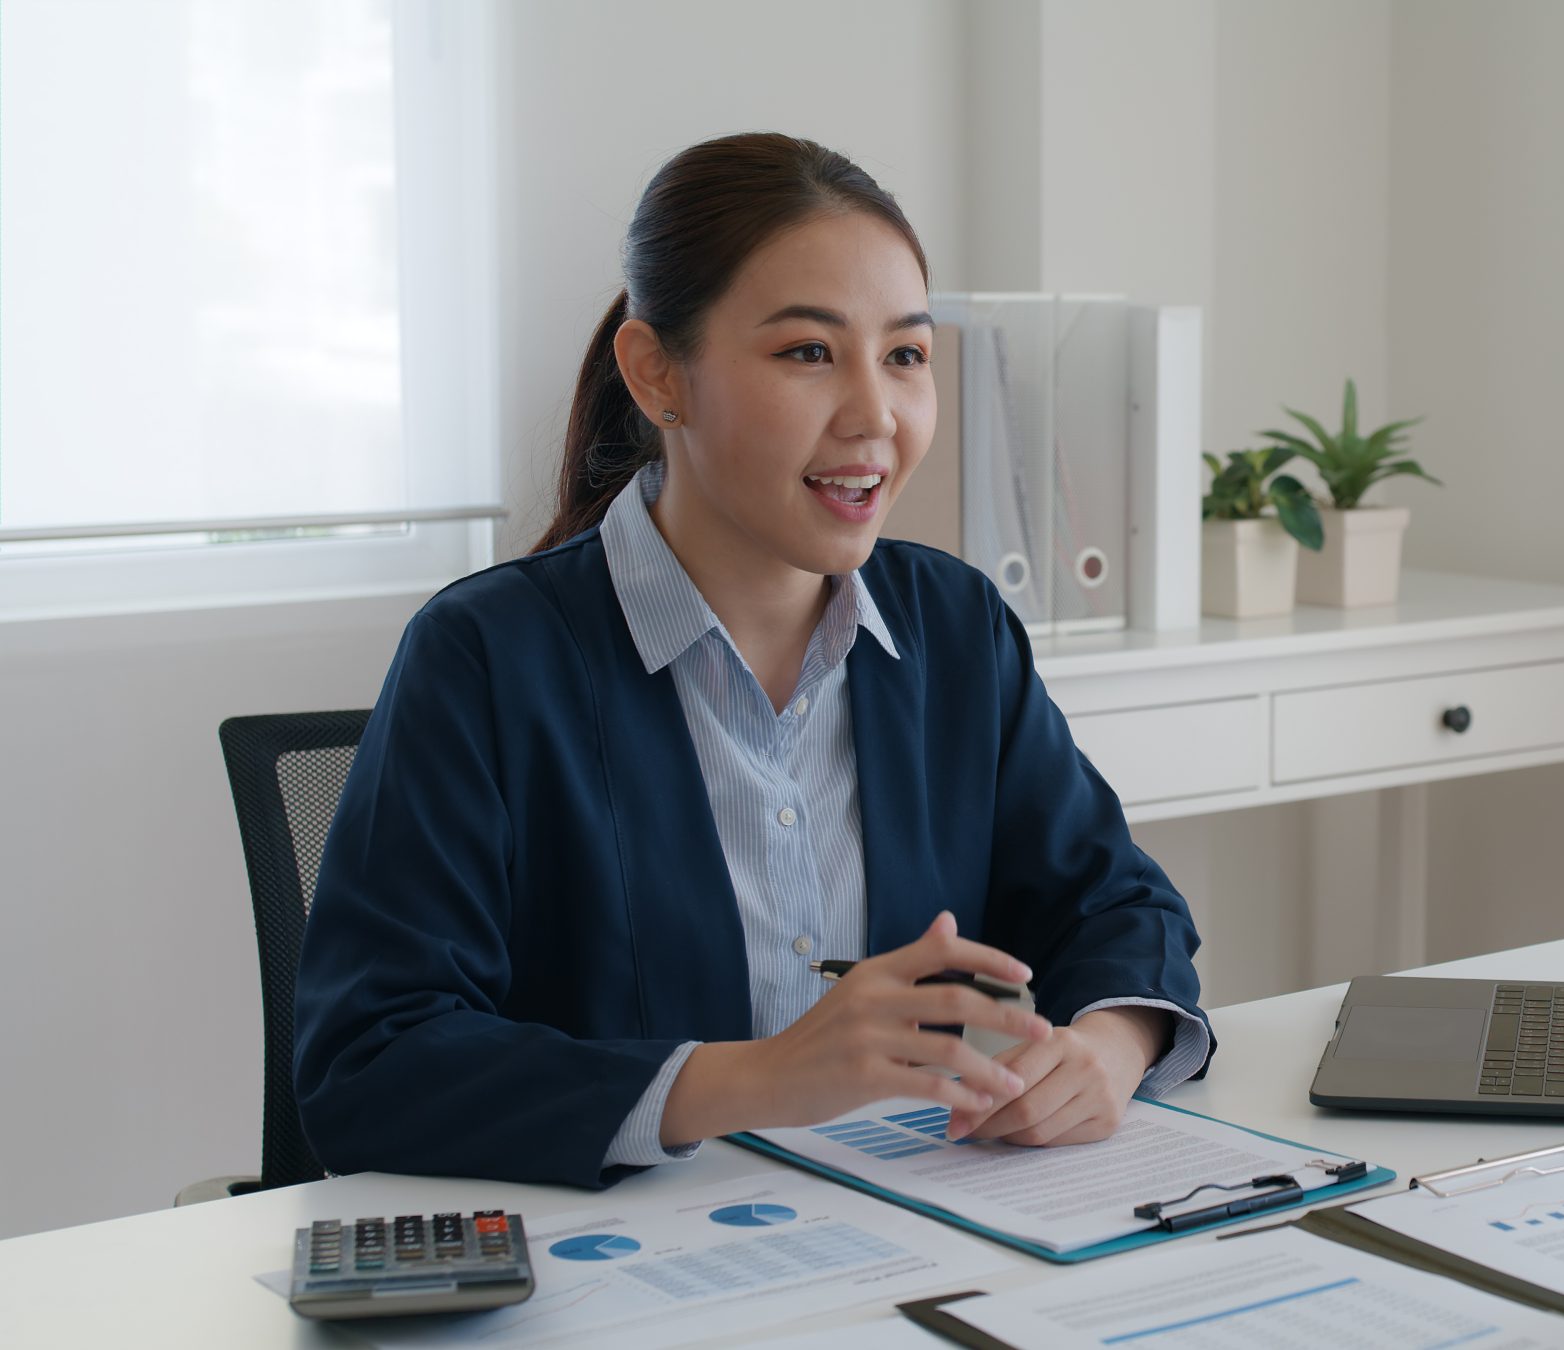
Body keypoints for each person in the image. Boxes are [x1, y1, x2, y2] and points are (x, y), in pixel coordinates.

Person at [294, 133, 1212, 1188]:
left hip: (911, 1233)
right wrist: (759, 1079)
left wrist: (1109, 1047)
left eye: (907, 355)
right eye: (807, 353)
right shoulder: (486, 659)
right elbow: (370, 1064)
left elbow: (1117, 907)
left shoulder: (954, 628)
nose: (876, 417)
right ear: (656, 374)